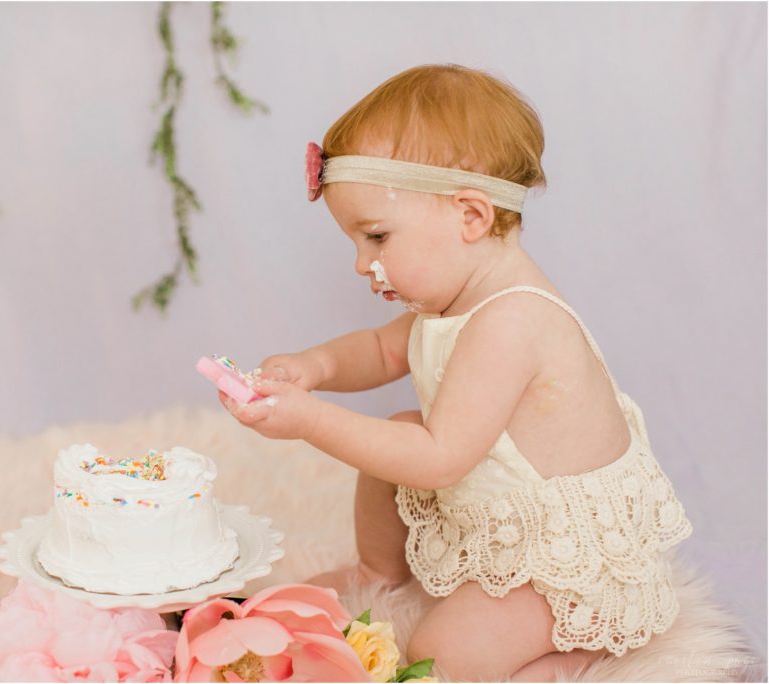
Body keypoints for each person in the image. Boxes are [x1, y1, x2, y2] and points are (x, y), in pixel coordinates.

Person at [216, 64, 693, 682]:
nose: (364, 264)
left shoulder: (512, 320)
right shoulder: (453, 301)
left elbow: (439, 459)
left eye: (377, 236)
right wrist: (315, 368)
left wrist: (308, 419)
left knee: (443, 652)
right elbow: (385, 351)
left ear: (471, 216)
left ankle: (581, 648)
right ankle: (379, 572)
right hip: (499, 496)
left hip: (559, 554)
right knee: (396, 430)